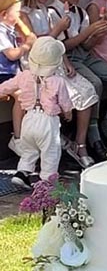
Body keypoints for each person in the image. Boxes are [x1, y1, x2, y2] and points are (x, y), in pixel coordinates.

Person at [18, 0, 99, 169]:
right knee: (54, 95)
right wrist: (58, 28)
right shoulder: (23, 13)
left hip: (55, 63)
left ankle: (80, 144)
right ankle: (51, 144)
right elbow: (37, 45)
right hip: (36, 66)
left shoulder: (45, 9)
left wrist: (66, 61)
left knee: (88, 90)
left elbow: (57, 45)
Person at [51, 0, 107, 155]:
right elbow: (62, 47)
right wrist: (89, 31)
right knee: (96, 83)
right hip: (68, 60)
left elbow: (87, 46)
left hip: (85, 56)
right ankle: (93, 133)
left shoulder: (80, 13)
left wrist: (99, 31)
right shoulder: (53, 13)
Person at [0, 36, 72, 189]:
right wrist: (68, 113)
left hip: (29, 119)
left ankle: (21, 174)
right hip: (48, 122)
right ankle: (47, 181)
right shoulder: (58, 81)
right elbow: (65, 102)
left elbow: (7, 86)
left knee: (29, 150)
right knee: (50, 152)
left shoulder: (24, 75)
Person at [0, 0, 34, 148]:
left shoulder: (9, 28)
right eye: (16, 11)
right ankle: (18, 138)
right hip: (3, 75)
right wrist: (27, 45)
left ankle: (31, 133)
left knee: (32, 90)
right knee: (21, 96)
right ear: (4, 15)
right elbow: (12, 55)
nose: (19, 15)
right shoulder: (0, 31)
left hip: (13, 74)